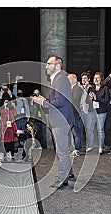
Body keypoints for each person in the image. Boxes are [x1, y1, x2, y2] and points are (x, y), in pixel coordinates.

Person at [32, 56, 75, 189]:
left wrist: (43, 102)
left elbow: (60, 102)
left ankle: (63, 179)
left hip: (60, 121)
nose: (46, 66)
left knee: (61, 151)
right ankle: (68, 173)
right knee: (63, 149)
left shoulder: (60, 79)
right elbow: (58, 99)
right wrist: (45, 99)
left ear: (58, 65)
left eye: (49, 64)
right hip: (61, 119)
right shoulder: (58, 79)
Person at [89, 72, 111, 155]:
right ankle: (92, 146)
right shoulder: (91, 88)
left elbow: (106, 101)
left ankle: (100, 147)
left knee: (100, 129)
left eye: (98, 78)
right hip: (92, 111)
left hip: (101, 111)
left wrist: (96, 98)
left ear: (101, 79)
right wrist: (90, 98)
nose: (96, 79)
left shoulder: (105, 88)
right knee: (91, 129)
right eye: (95, 78)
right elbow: (87, 101)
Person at [0, 94, 19, 162]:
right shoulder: (2, 110)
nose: (6, 103)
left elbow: (15, 115)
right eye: (5, 102)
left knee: (10, 142)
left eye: (7, 102)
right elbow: (2, 117)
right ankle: (3, 154)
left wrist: (13, 107)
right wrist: (4, 108)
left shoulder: (11, 110)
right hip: (3, 128)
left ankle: (10, 154)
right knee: (3, 142)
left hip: (10, 128)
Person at [68, 73, 83, 157]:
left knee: (77, 132)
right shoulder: (72, 89)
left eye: (69, 79)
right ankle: (74, 148)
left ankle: (77, 149)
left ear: (74, 79)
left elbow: (75, 101)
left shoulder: (77, 89)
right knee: (73, 132)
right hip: (71, 114)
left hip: (75, 114)